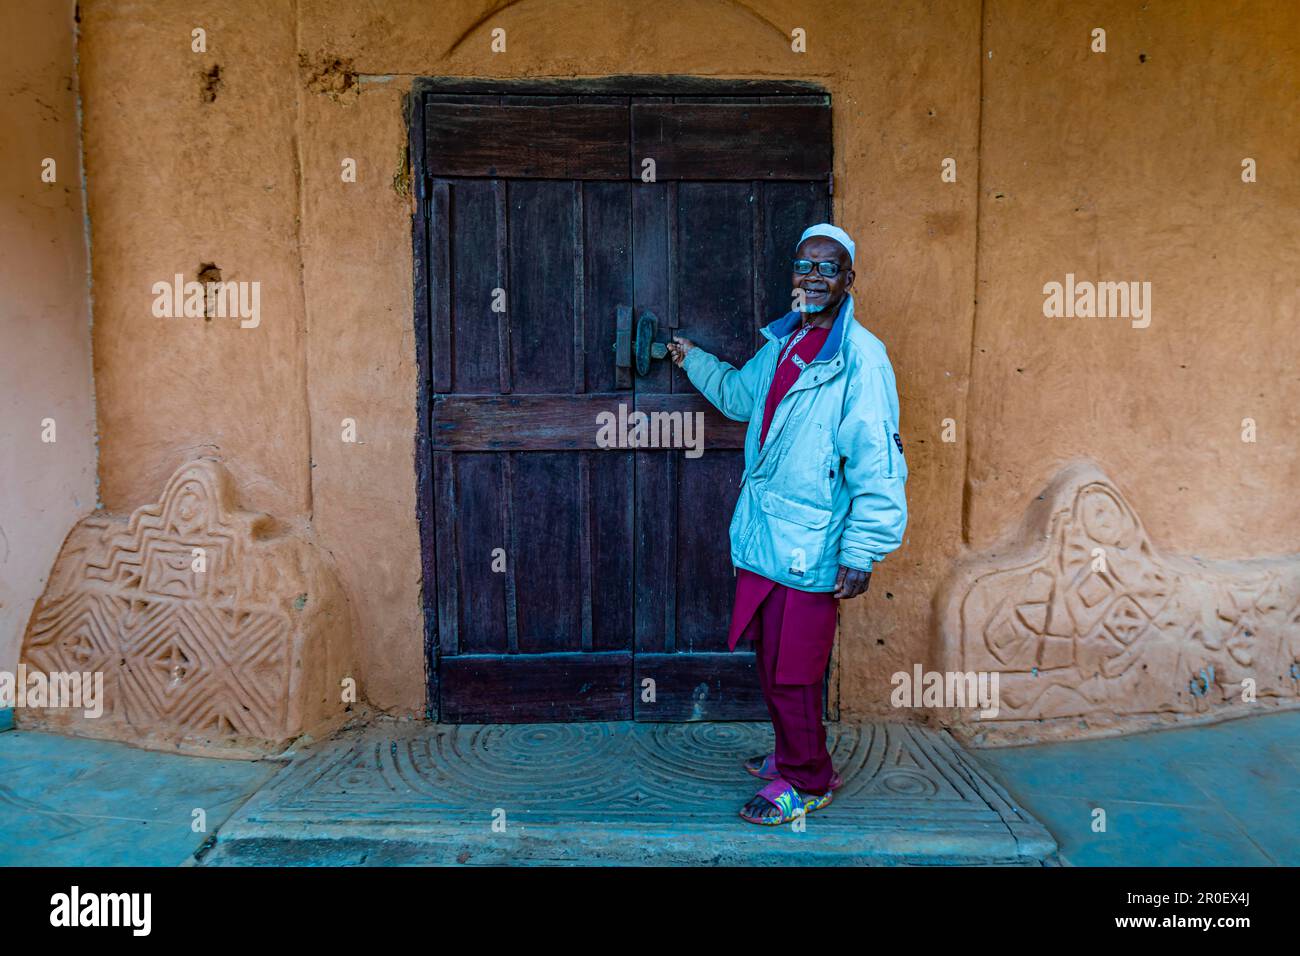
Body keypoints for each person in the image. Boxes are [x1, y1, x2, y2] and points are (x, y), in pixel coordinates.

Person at [666, 223, 907, 826]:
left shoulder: (861, 359)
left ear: (849, 279)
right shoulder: (784, 342)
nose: (814, 277)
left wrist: (863, 550)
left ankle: (808, 780)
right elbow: (741, 399)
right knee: (770, 660)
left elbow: (878, 463)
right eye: (805, 266)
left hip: (815, 542)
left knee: (793, 670)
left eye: (829, 268)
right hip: (768, 535)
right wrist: (691, 358)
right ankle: (793, 753)